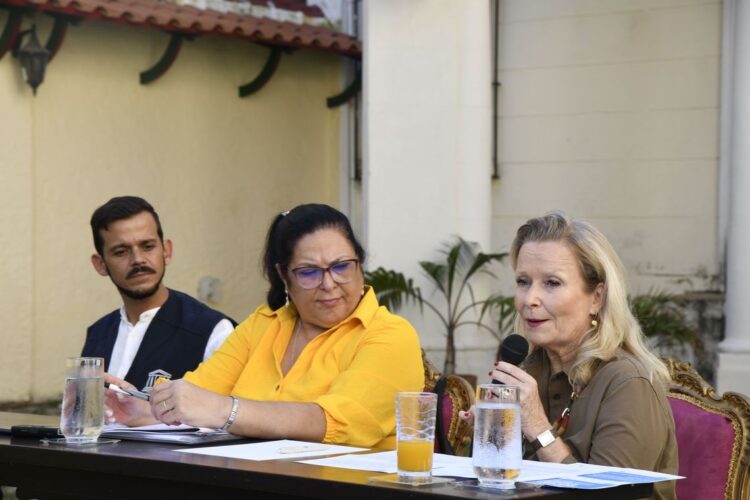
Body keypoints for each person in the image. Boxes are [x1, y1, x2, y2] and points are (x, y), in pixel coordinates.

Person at [105, 203, 424, 448]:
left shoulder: (390, 334)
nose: (329, 283)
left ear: (360, 264)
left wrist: (224, 411)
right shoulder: (264, 324)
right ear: (284, 276)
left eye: (341, 266)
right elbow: (200, 391)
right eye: (309, 272)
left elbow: (336, 422)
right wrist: (142, 411)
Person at [463, 212, 677, 500]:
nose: (529, 299)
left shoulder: (629, 383)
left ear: (596, 298)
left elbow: (611, 498)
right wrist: (491, 436)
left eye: (551, 283)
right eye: (523, 281)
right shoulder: (531, 370)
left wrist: (537, 427)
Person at [82, 196, 235, 391]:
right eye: (121, 251)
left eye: (148, 246)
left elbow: (227, 415)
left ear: (166, 251)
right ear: (100, 264)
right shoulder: (98, 334)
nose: (138, 260)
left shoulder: (212, 331)